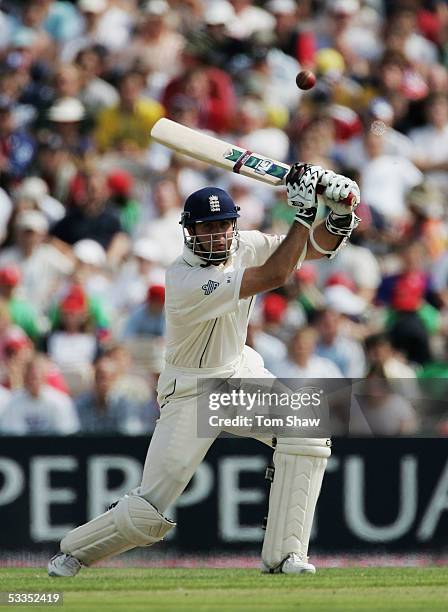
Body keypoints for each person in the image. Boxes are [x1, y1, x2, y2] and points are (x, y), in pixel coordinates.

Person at [48, 163, 361, 577]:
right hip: (192, 392)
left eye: (221, 226)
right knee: (149, 510)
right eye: (205, 228)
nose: (215, 236)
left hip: (237, 373)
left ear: (233, 226)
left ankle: (286, 557)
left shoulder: (244, 244)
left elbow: (314, 249)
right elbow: (277, 273)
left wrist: (338, 215)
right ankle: (73, 551)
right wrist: (303, 212)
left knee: (305, 429)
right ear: (188, 232)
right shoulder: (183, 278)